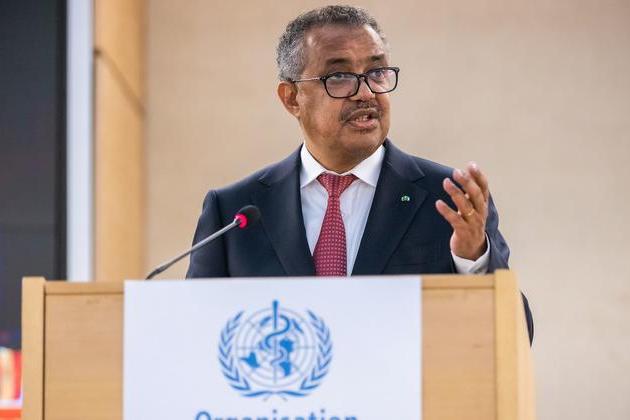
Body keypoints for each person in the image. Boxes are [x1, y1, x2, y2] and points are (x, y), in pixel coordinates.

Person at [186, 5, 533, 342]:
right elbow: (192, 338)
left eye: (377, 73)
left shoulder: (450, 201)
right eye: (339, 77)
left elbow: (517, 335)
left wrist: (473, 261)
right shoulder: (234, 213)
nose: (366, 93)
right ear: (292, 98)